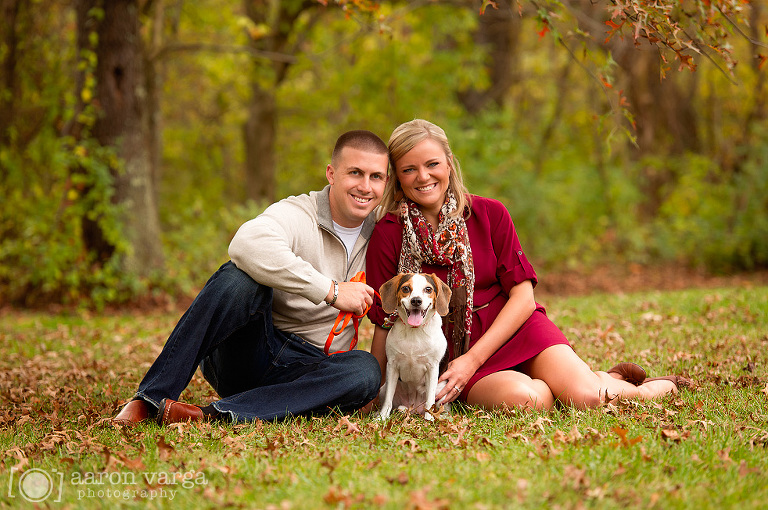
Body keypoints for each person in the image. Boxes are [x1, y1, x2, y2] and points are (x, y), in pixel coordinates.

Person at [366, 119, 692, 412]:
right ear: (398, 176)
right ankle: (583, 379)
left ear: (448, 164)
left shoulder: (490, 214)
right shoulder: (388, 233)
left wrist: (473, 360)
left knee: (590, 398)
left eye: (432, 164)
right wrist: (372, 394)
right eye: (409, 169)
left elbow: (523, 298)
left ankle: (652, 387)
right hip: (452, 354)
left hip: (515, 330)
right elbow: (386, 320)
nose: (423, 177)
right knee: (529, 401)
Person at [112, 130, 390, 425]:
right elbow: (246, 243)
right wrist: (330, 290)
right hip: (252, 350)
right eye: (355, 173)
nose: (365, 186)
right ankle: (150, 399)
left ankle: (211, 415)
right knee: (238, 280)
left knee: (365, 371)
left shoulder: (384, 230)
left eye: (376, 177)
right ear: (331, 174)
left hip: (309, 373)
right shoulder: (299, 213)